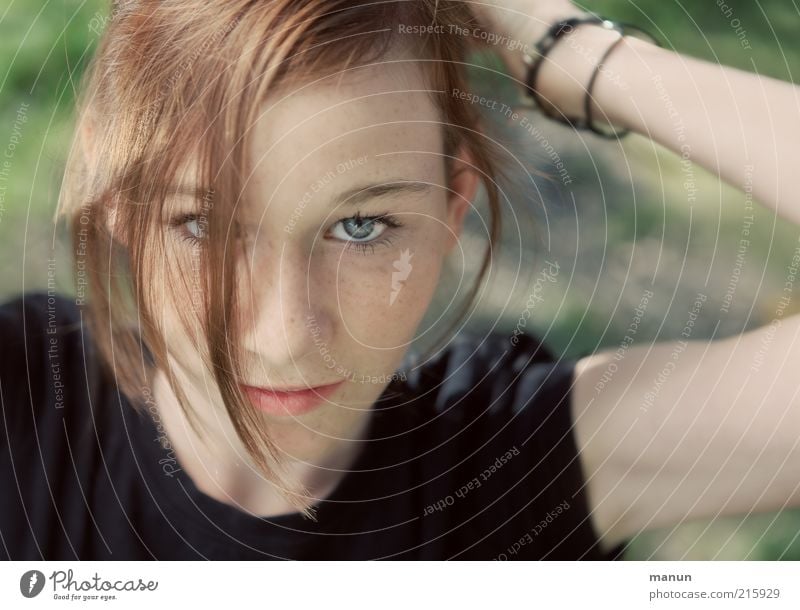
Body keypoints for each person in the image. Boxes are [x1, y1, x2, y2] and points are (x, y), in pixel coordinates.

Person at [1, 0, 798, 560]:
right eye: (202, 224)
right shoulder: (23, 400)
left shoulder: (511, 469)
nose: (283, 336)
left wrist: (564, 45)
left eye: (362, 227)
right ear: (114, 196)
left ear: (453, 210)